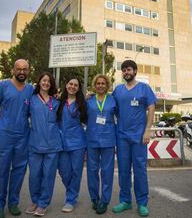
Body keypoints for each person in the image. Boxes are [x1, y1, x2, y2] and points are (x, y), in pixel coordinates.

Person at [0, 59, 34, 218]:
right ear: (13, 70)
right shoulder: (3, 86)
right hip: (5, 134)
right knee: (1, 170)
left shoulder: (30, 89)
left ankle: (13, 203)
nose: (22, 72)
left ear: (28, 71)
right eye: (19, 69)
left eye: (25, 69)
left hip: (23, 135)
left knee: (19, 171)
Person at [112, 60, 156, 217]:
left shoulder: (144, 88)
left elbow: (151, 108)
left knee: (140, 170)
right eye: (123, 70)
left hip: (139, 137)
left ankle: (142, 203)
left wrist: (147, 130)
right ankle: (125, 201)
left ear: (135, 71)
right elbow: (111, 108)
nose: (126, 72)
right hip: (122, 136)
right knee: (123, 170)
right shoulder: (117, 90)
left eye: (129, 69)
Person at [25, 72, 63, 217]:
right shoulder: (31, 99)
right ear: (39, 82)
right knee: (34, 175)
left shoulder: (57, 102)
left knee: (48, 176)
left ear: (51, 84)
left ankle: (43, 204)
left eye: (49, 81)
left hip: (52, 145)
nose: (46, 83)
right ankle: (35, 200)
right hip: (35, 143)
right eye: (44, 80)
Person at [86, 74, 117, 214]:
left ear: (107, 85)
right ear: (95, 85)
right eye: (98, 83)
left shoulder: (113, 100)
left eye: (103, 83)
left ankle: (104, 201)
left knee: (107, 172)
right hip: (92, 139)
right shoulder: (89, 100)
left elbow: (120, 117)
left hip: (108, 140)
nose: (100, 85)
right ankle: (94, 199)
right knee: (92, 171)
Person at [57, 76, 88, 213]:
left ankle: (70, 199)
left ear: (78, 88)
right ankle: (72, 191)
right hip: (61, 142)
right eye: (71, 84)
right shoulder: (59, 102)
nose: (73, 87)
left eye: (76, 85)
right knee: (64, 171)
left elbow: (87, 121)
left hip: (78, 142)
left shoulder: (82, 103)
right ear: (66, 85)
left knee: (76, 172)